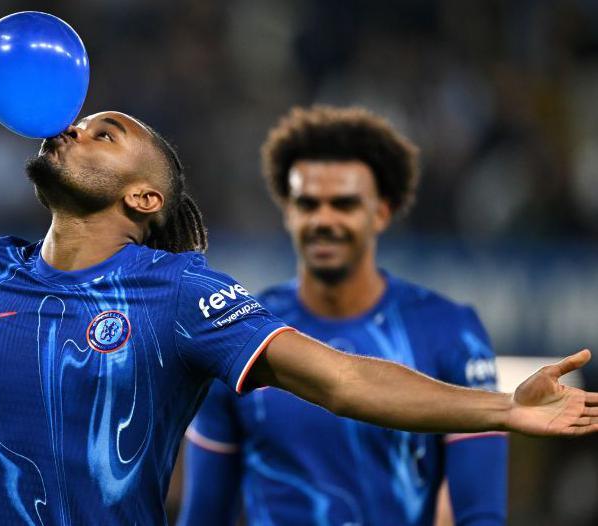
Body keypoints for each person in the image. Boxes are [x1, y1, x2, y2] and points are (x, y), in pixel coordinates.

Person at [0, 111, 595, 526]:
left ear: (145, 197)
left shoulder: (183, 294)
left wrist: (502, 410)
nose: (73, 128)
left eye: (105, 132)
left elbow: (343, 377)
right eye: (80, 126)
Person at [178, 105, 509, 526]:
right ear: (288, 211)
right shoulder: (239, 337)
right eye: (308, 204)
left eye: (344, 204)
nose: (324, 220)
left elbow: (481, 516)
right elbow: (204, 516)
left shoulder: (450, 332)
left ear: (382, 212)